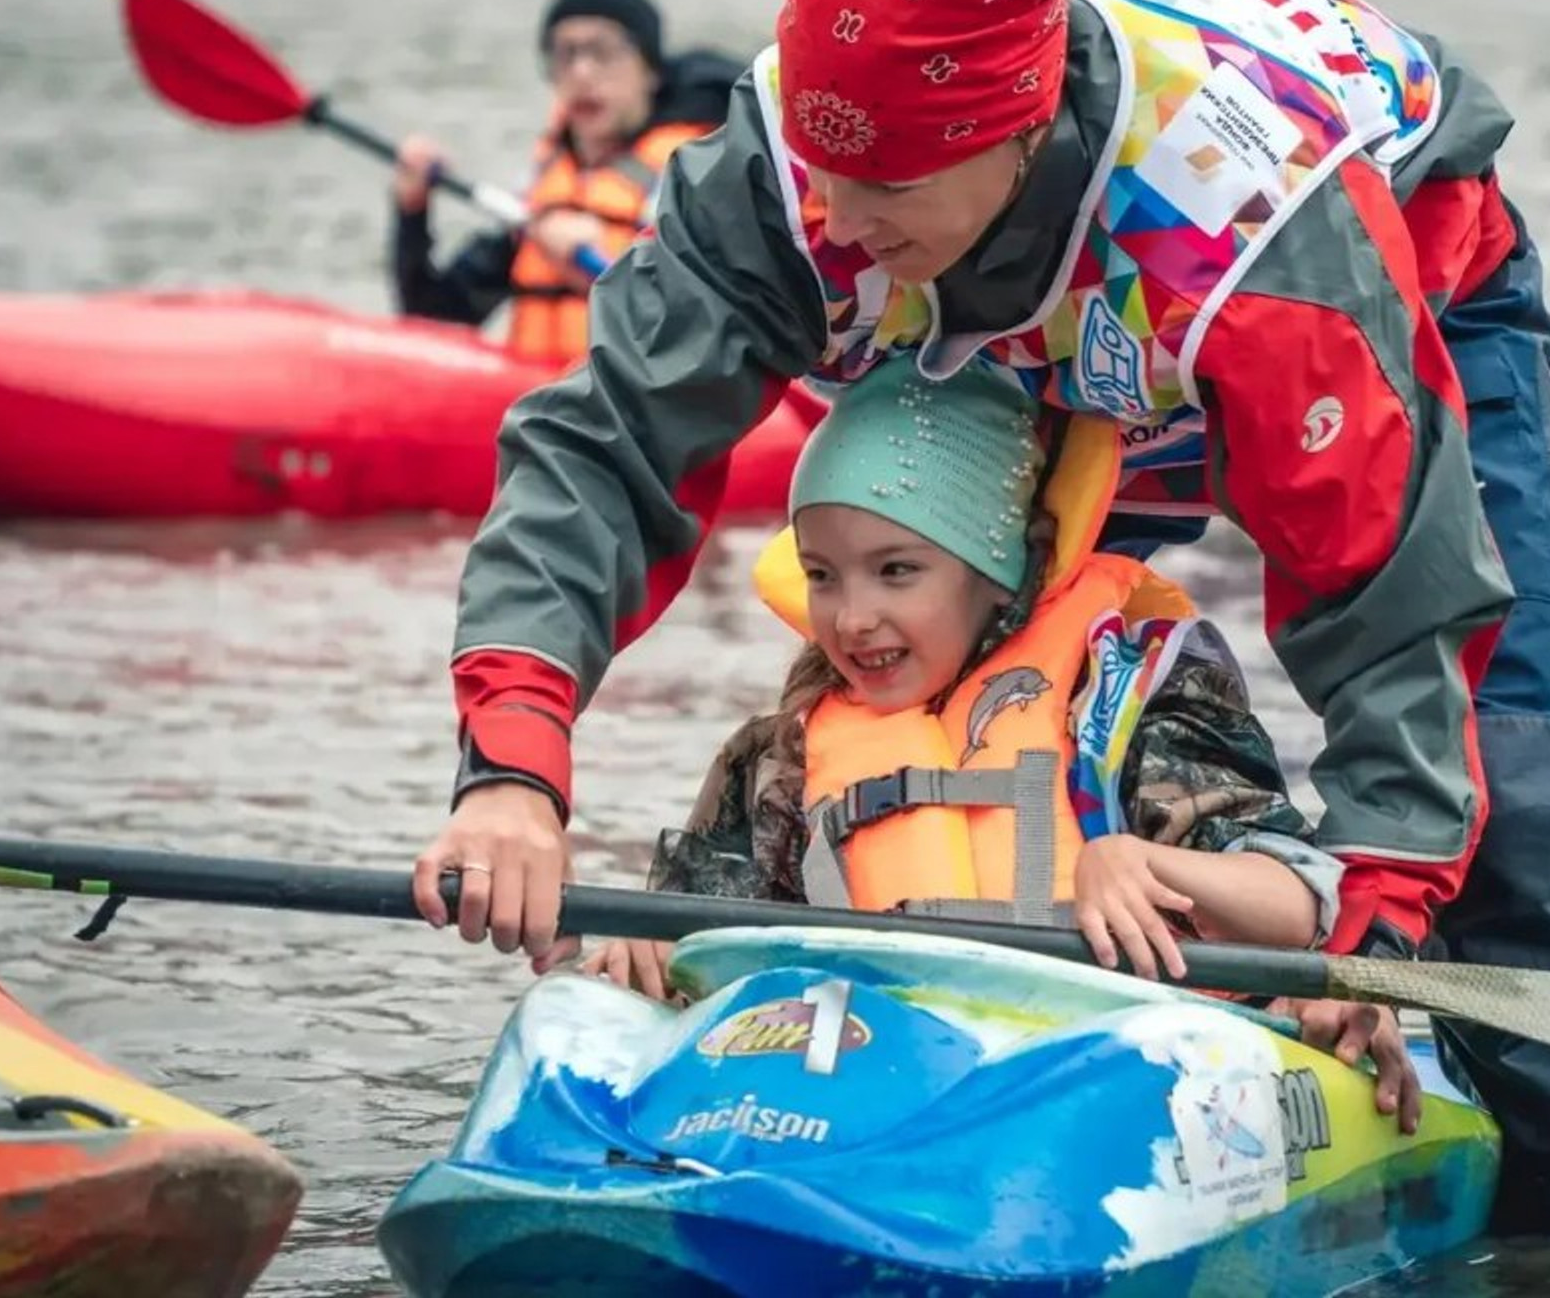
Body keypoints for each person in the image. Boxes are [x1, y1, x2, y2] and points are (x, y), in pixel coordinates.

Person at [409, 0, 1550, 1233]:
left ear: (1011, 133)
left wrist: (1373, 928)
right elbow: (603, 451)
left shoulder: (1259, 237)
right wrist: (512, 768)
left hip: (1384, 293)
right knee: (955, 676)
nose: (834, 226)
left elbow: (1392, 594)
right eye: (824, 172)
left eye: (881, 183)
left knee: (1494, 799)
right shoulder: (790, 168)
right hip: (1021, 322)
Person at [562, 357, 1421, 1127]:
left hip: (1115, 1079)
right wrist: (653, 950)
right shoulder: (781, 753)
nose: (852, 618)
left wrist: (1146, 863)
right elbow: (718, 938)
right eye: (821, 574)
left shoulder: (1119, 694)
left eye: (897, 570)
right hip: (868, 1097)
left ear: (995, 568)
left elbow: (1301, 903)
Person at [390, 0, 740, 363]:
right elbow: (434, 321)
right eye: (564, 53)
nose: (582, 73)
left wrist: (612, 270)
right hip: (543, 408)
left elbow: (718, 329)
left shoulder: (703, 176)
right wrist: (412, 214)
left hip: (649, 412)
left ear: (650, 71)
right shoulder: (541, 193)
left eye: (603, 52)